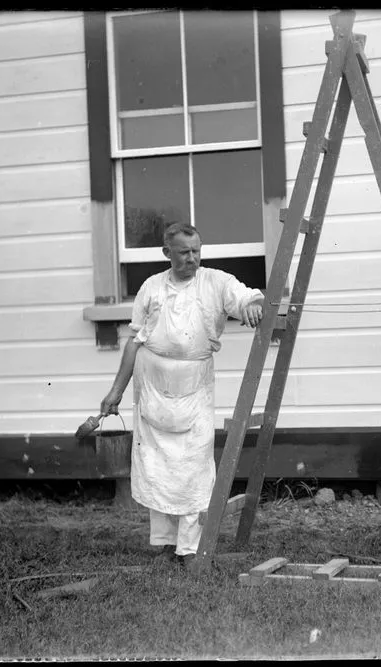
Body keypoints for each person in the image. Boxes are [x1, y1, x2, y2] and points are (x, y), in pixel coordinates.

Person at [100, 222, 264, 568]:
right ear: (167, 253)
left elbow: (245, 296)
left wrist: (252, 304)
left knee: (193, 467)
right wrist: (115, 392)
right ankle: (164, 544)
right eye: (184, 252)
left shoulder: (215, 281)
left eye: (196, 251)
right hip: (152, 387)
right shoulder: (151, 287)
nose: (192, 259)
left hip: (194, 387)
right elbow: (135, 342)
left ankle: (189, 549)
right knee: (155, 467)